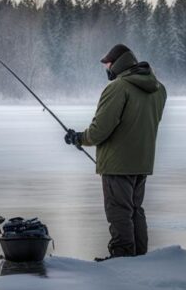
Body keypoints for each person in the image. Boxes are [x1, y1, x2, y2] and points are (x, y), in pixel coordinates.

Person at [64, 44, 167, 261]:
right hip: (142, 162)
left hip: (117, 164)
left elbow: (100, 129)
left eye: (108, 63)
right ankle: (139, 257)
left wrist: (79, 138)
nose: (106, 68)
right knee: (135, 209)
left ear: (118, 64)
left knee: (119, 211)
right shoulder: (158, 89)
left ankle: (121, 257)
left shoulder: (118, 88)